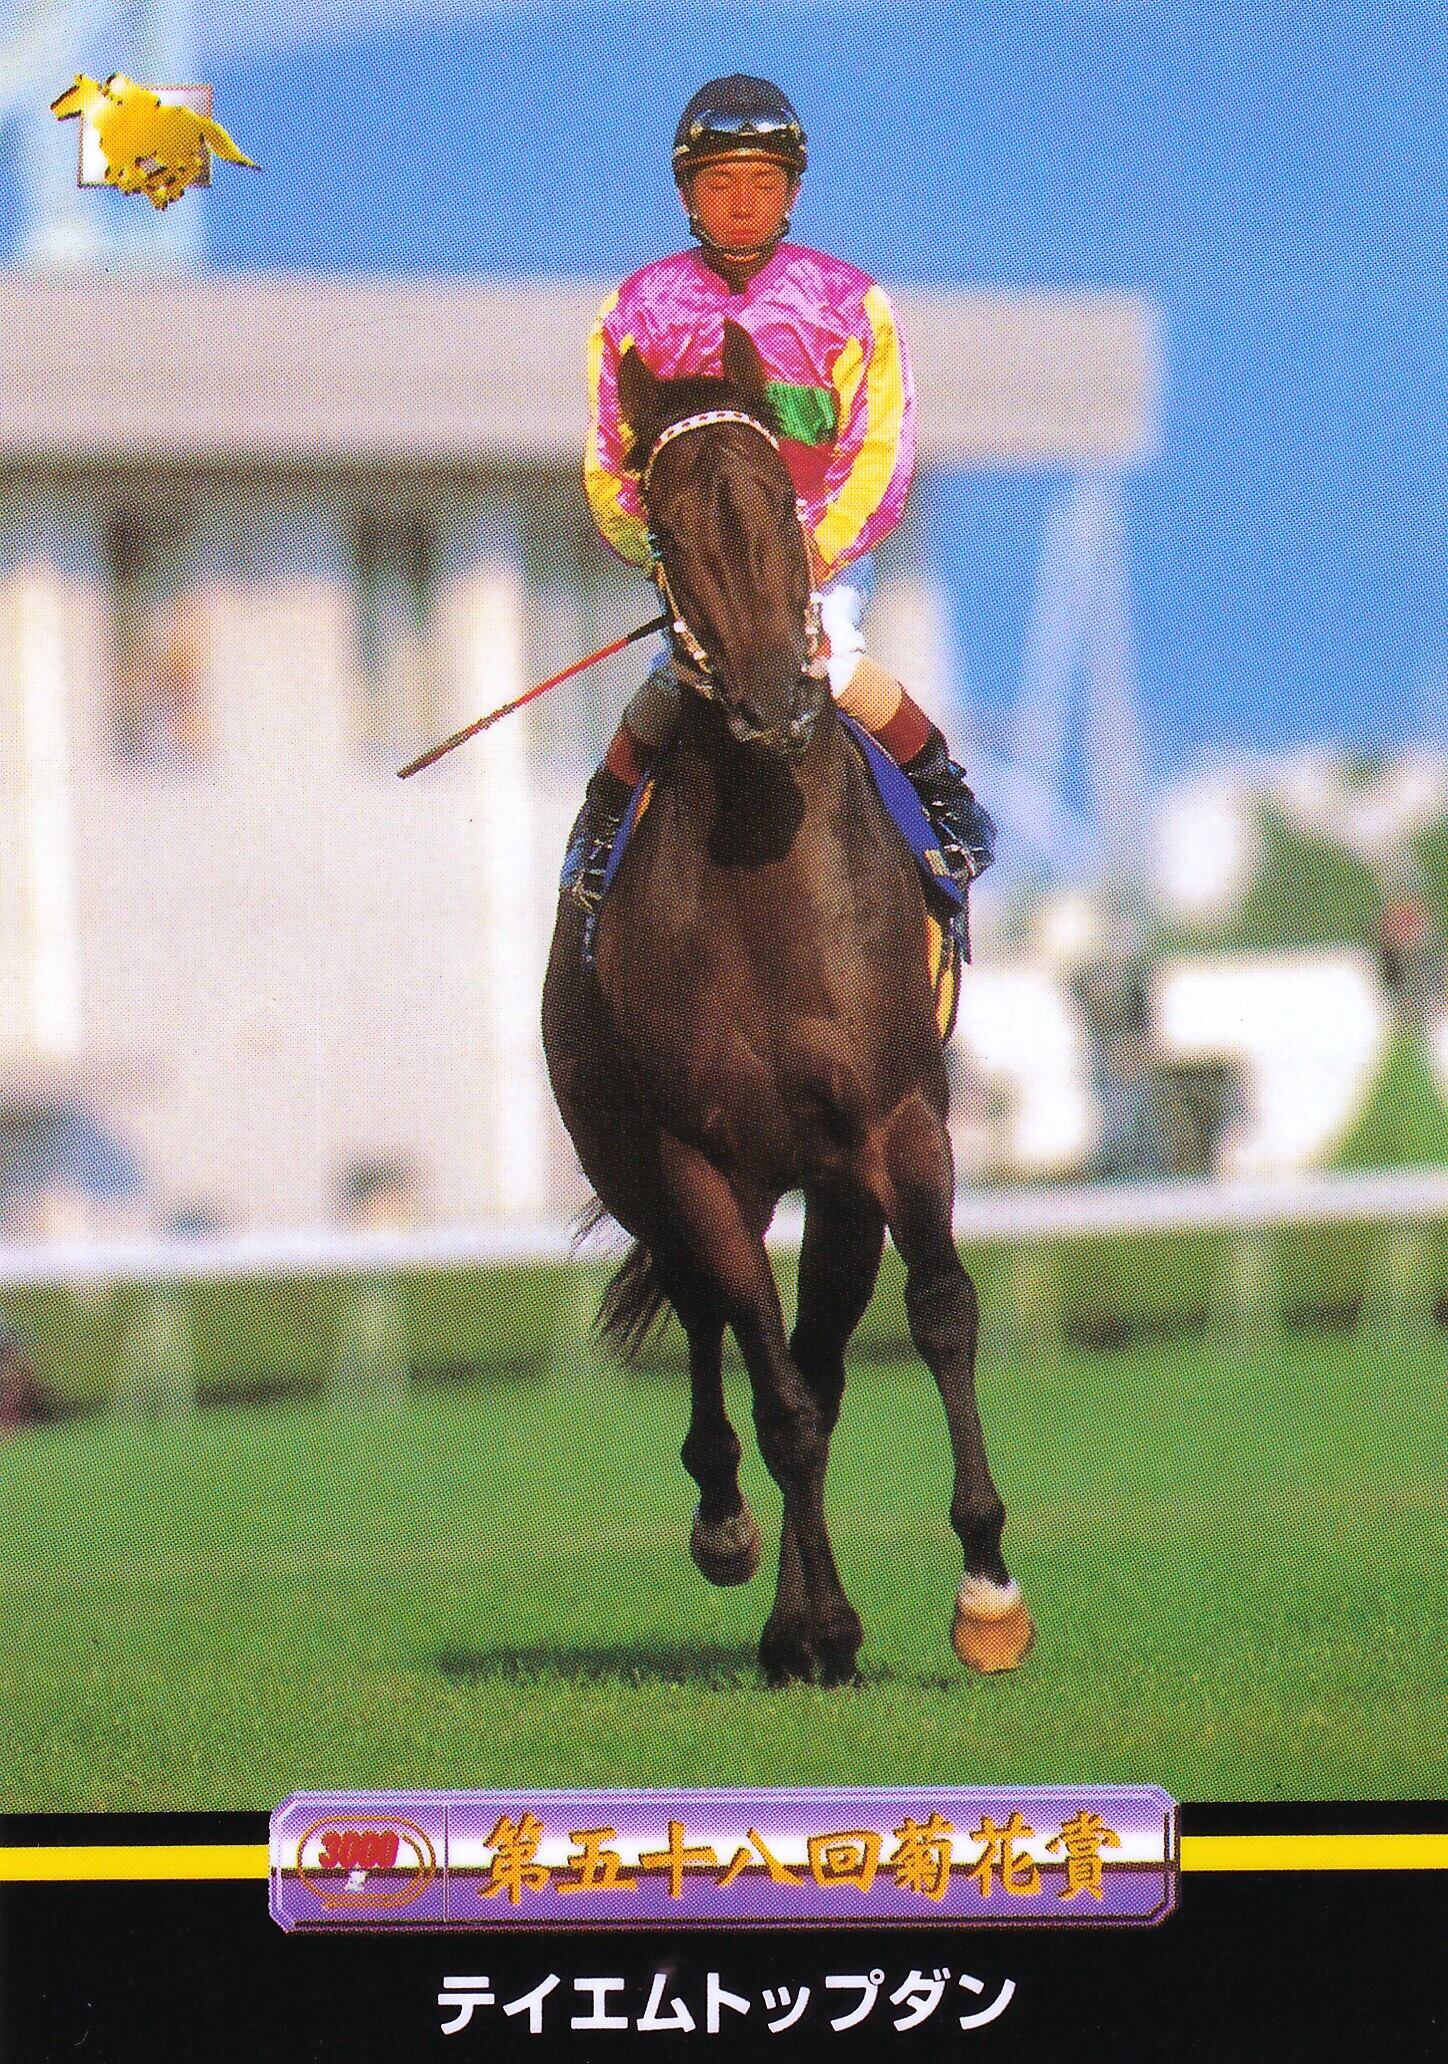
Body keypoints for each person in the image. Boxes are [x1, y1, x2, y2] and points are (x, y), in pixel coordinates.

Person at [562, 73, 996, 914]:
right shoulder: (635, 310)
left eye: (763, 184)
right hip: (701, 561)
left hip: (813, 553)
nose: (741, 205)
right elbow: (610, 463)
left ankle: (945, 793)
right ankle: (600, 824)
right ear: (686, 194)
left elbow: (880, 450)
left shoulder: (851, 304)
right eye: (719, 184)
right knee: (677, 678)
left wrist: (813, 550)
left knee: (832, 659)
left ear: (792, 191)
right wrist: (664, 556)